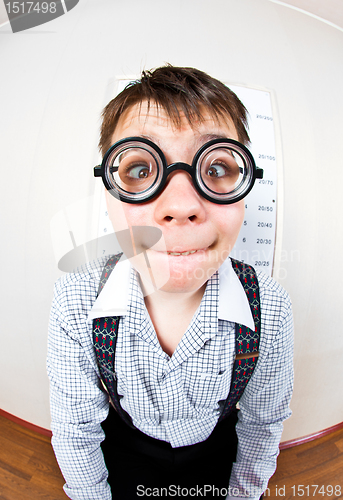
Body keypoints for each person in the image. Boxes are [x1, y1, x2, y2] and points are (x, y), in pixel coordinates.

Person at [47, 65, 293, 500]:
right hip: (124, 449)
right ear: (108, 193)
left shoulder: (269, 307)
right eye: (141, 170)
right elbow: (76, 430)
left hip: (216, 451)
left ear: (245, 185)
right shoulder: (75, 302)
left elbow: (262, 424)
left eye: (215, 167)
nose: (180, 206)